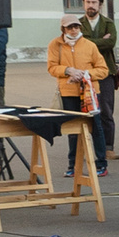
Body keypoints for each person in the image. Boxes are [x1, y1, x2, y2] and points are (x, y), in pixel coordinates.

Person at [44, 15, 108, 174]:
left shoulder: (90, 45)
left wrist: (85, 74)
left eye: (76, 27)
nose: (73, 30)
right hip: (68, 92)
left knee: (95, 127)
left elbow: (103, 70)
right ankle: (73, 165)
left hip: (90, 93)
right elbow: (52, 68)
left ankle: (101, 164)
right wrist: (68, 70)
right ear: (63, 29)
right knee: (72, 129)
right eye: (69, 27)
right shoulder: (55, 44)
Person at [73, 0, 119, 169]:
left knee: (106, 110)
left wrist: (89, 41)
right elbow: (77, 43)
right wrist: (100, 40)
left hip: (106, 72)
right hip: (83, 72)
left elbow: (111, 42)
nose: (90, 5)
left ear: (100, 6)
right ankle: (85, 148)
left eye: (94, 2)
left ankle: (108, 147)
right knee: (84, 111)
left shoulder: (108, 23)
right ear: (84, 5)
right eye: (87, 2)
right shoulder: (77, 23)